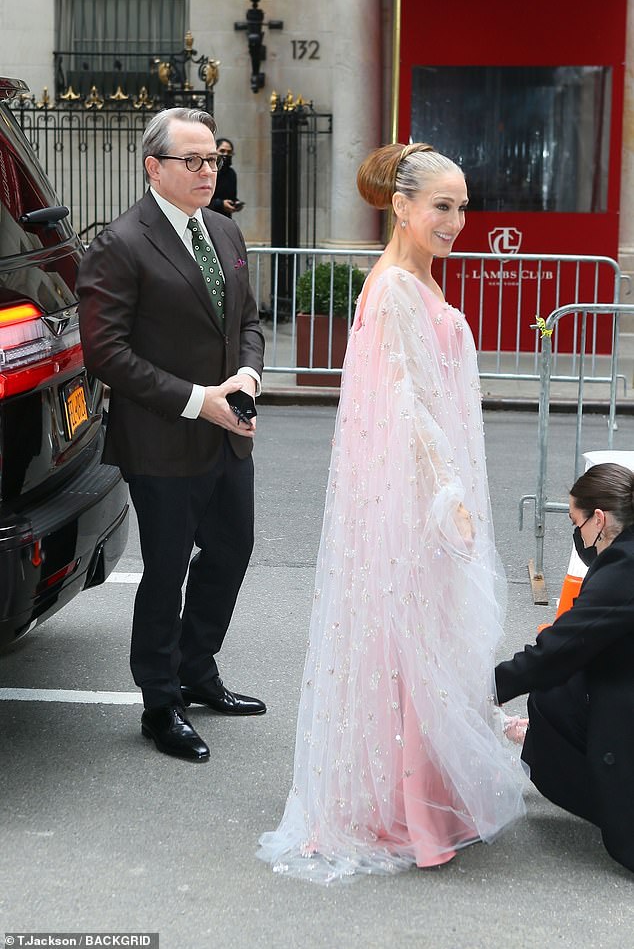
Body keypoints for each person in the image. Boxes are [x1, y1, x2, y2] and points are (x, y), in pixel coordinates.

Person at [256, 143, 525, 883]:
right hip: (414, 500)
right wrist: (447, 497)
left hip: (425, 495)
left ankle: (427, 799)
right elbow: (404, 408)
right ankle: (404, 807)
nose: (457, 221)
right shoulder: (397, 289)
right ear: (401, 208)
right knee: (409, 643)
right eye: (442, 206)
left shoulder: (416, 280)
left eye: (463, 206)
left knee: (424, 641)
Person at [77, 108, 266, 763]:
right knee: (165, 576)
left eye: (211, 158)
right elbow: (105, 352)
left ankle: (197, 669)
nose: (207, 170)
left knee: (232, 550)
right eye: (192, 160)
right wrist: (196, 401)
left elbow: (248, 320)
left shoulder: (224, 229)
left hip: (228, 432)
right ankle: (161, 704)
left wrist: (245, 373)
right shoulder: (121, 243)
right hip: (162, 442)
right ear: (154, 166)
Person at [495, 462, 634, 873]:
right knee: (560, 688)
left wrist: (490, 685)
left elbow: (561, 647)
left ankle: (612, 797)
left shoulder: (623, 570)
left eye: (577, 522)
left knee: (549, 694)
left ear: (600, 519)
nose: (577, 536)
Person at [209, 138, 242, 219]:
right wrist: (220, 204)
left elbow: (231, 196)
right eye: (222, 151)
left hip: (225, 218)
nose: (226, 154)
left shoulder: (231, 173)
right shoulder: (208, 171)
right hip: (208, 216)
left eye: (229, 152)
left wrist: (235, 203)